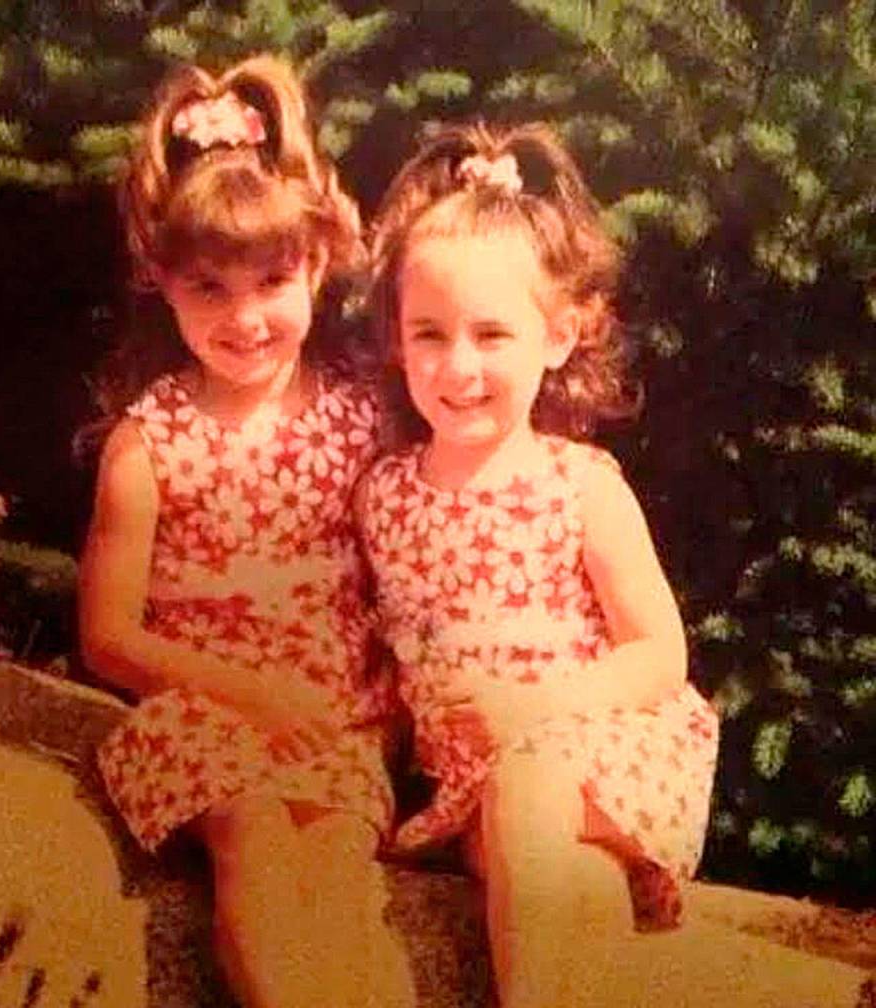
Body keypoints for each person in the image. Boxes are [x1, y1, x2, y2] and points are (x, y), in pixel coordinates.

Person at [357, 121, 870, 1007]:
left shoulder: (580, 484)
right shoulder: (384, 496)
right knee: (546, 860)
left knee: (535, 803)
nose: (459, 366)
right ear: (397, 339)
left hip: (604, 744)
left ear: (559, 336)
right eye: (430, 334)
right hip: (477, 789)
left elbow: (658, 654)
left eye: (492, 333)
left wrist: (538, 706)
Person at [78, 55, 415, 1008]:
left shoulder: (358, 420)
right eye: (210, 290)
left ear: (315, 262)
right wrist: (252, 694)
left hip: (333, 727)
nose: (247, 317)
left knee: (341, 862)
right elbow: (105, 637)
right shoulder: (150, 446)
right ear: (163, 282)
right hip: (197, 716)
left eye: (271, 280)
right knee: (258, 832)